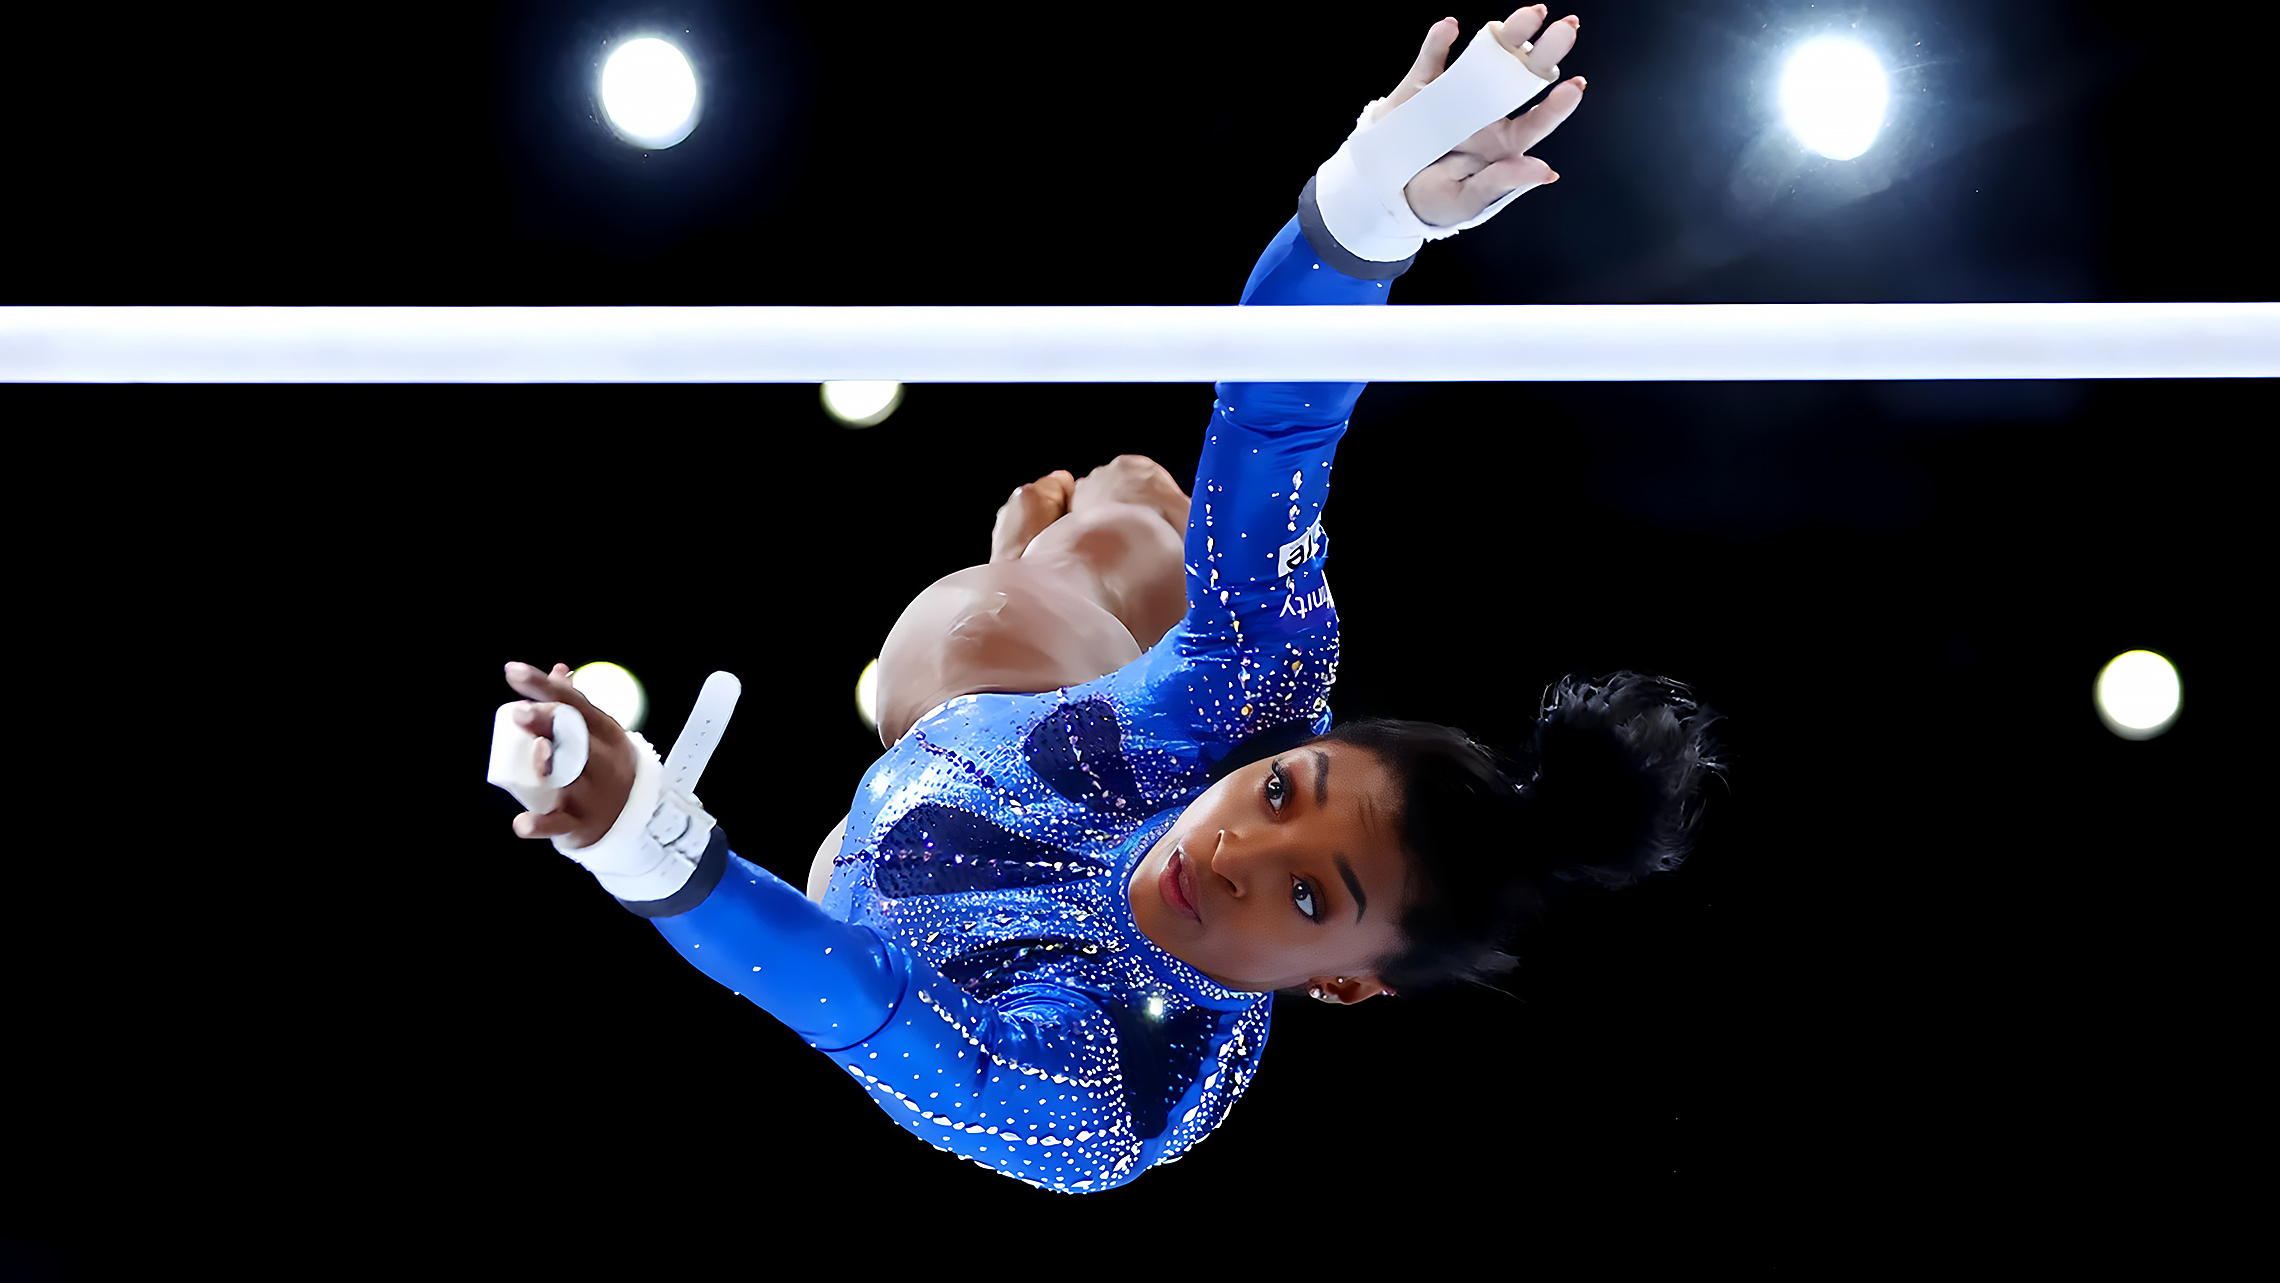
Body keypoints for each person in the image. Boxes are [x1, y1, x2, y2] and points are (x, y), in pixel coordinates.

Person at [496, 6, 1727, 1193]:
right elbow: (1277, 419)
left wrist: (640, 835)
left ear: (1346, 983)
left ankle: (1083, 560)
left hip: (912, 839)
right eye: (1285, 788)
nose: (1239, 846)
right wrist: (1363, 212)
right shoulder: (1260, 689)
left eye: (1312, 897)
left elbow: (852, 990)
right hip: (1045, 732)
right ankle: (1123, 550)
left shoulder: (1109, 1093)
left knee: (987, 613)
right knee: (1145, 515)